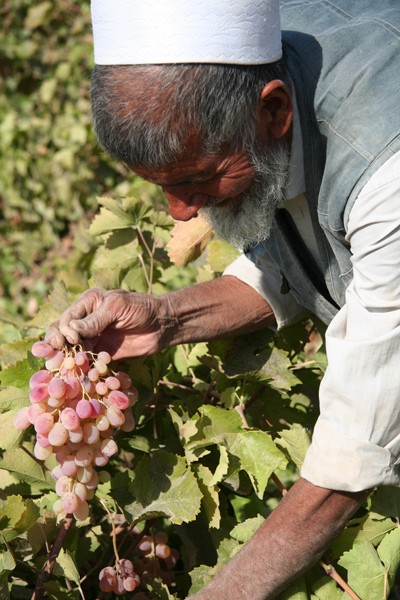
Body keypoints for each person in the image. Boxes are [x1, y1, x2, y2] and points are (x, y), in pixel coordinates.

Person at [45, 0, 400, 598]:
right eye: (159, 186)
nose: (180, 213)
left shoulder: (387, 171)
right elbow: (294, 257)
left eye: (194, 180)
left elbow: (355, 449)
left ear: (275, 111)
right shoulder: (260, 66)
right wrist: (166, 317)